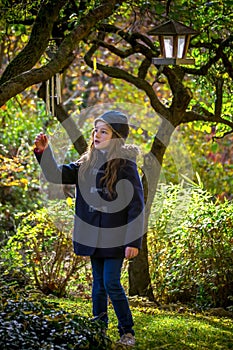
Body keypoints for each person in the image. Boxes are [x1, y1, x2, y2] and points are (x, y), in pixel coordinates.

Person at [34, 110, 144, 347]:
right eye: (95, 130)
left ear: (116, 137)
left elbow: (137, 205)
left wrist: (133, 242)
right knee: (98, 285)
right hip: (94, 238)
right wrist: (44, 153)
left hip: (117, 238)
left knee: (111, 282)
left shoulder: (125, 166)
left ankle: (127, 331)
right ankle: (98, 329)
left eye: (104, 131)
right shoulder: (86, 162)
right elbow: (56, 175)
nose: (97, 134)